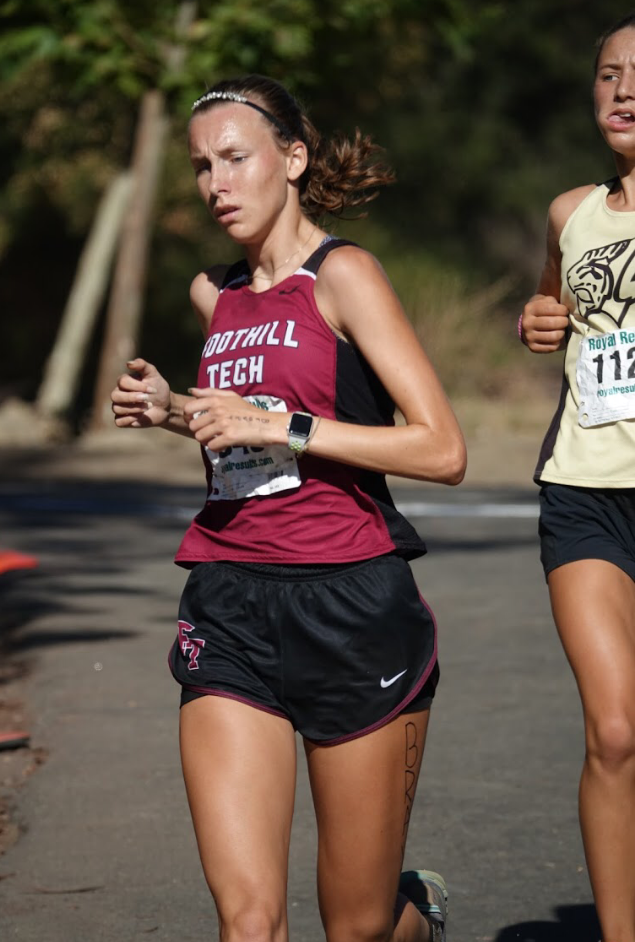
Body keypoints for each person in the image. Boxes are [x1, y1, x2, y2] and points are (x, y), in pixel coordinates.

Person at [111, 74, 465, 942]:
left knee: (358, 928)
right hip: (229, 601)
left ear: (293, 158)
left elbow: (441, 450)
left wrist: (285, 422)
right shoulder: (214, 294)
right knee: (249, 922)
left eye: (235, 158)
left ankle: (412, 920)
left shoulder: (343, 275)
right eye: (201, 167)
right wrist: (174, 411)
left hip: (350, 603)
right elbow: (245, 432)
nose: (216, 184)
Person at [520, 16, 635, 942]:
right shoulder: (570, 210)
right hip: (584, 488)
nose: (623, 91)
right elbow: (552, 302)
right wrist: (539, 320)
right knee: (615, 731)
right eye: (608, 76)